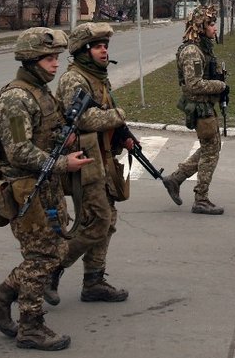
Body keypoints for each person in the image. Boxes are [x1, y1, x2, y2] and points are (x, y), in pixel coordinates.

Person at [0, 27, 92, 351]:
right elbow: (19, 150)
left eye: (56, 57)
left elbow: (44, 135)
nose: (55, 64)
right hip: (26, 189)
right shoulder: (16, 99)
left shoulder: (41, 92)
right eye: (48, 58)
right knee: (40, 257)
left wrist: (64, 139)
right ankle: (31, 327)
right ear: (30, 60)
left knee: (52, 252)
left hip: (45, 186)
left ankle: (0, 298)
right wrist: (61, 164)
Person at [43, 22, 137, 307]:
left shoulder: (97, 77)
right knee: (97, 222)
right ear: (84, 51)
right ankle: (50, 271)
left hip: (104, 158)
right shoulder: (75, 79)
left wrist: (123, 134)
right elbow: (82, 119)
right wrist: (118, 116)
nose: (104, 51)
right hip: (84, 161)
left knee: (107, 221)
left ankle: (94, 281)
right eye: (98, 46)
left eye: (105, 46)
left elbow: (102, 112)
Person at [162, 4, 229, 215]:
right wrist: (220, 86)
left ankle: (176, 178)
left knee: (210, 148)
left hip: (205, 105)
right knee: (211, 151)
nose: (215, 28)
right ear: (200, 26)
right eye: (211, 24)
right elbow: (194, 84)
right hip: (199, 107)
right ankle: (201, 198)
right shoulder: (192, 51)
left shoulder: (202, 48)